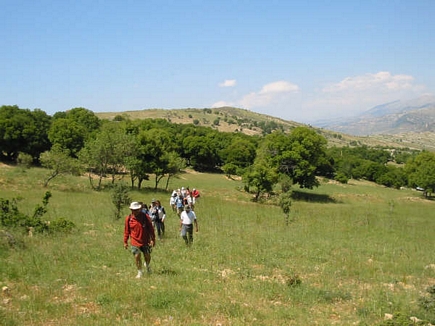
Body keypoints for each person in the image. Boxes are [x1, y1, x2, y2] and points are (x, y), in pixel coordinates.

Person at [124, 202, 156, 278]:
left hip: (145, 240)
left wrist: (153, 239)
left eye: (137, 210)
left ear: (140, 209)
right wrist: (125, 241)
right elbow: (126, 231)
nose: (135, 211)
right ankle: (140, 271)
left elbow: (151, 229)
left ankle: (147, 265)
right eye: (133, 210)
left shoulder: (145, 217)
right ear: (131, 210)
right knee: (137, 256)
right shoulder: (129, 219)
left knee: (147, 255)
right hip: (134, 241)